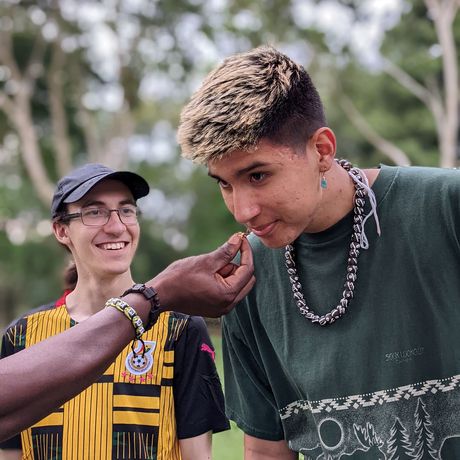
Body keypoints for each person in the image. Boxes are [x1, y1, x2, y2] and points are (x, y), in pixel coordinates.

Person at [177, 46, 460, 459]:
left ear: (322, 150)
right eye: (223, 183)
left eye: (258, 174)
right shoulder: (244, 277)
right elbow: (266, 451)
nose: (242, 210)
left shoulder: (445, 209)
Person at [0, 163, 254, 459]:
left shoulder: (179, 330)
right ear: (61, 230)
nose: (116, 226)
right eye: (94, 212)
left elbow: (197, 456)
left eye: (127, 210)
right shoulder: (23, 336)